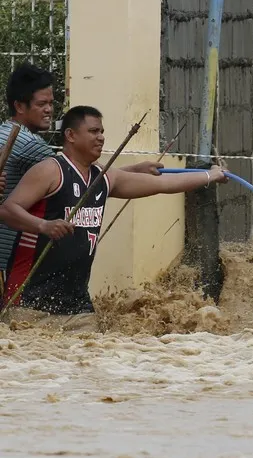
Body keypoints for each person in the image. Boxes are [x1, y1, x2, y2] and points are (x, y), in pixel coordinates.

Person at [0, 106, 229, 332]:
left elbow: (163, 184)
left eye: (102, 132)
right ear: (70, 135)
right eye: (93, 131)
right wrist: (43, 225)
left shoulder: (103, 177)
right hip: (29, 304)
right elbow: (8, 209)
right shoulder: (50, 171)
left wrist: (210, 175)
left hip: (77, 307)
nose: (100, 137)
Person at [0, 63, 162, 280]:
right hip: (9, 255)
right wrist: (133, 170)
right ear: (20, 106)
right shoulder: (30, 144)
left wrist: (133, 169)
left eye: (50, 103)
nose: (49, 109)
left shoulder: (5, 131)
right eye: (42, 104)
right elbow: (73, 175)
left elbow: (81, 177)